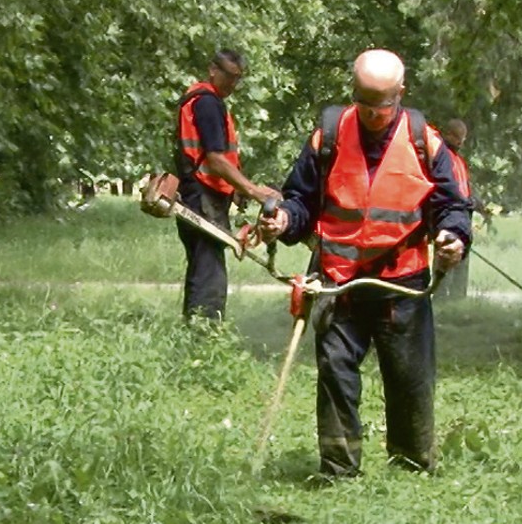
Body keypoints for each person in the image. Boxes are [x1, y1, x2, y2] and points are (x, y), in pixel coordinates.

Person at [260, 49, 471, 475]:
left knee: (409, 379)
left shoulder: (423, 141)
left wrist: (453, 236)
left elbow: (453, 205)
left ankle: (412, 466)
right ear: (353, 93)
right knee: (335, 373)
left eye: (384, 104)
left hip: (402, 283)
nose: (374, 114)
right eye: (365, 102)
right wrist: (283, 220)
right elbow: (301, 200)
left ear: (400, 94)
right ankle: (339, 471)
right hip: (339, 282)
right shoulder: (329, 136)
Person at [175, 49, 280, 322]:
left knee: (202, 266)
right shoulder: (208, 103)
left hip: (196, 195)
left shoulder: (197, 100)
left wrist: (233, 189)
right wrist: (253, 191)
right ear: (213, 70)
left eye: (238, 79)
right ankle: (204, 335)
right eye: (229, 76)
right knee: (210, 272)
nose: (233, 84)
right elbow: (215, 159)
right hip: (202, 199)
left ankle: (195, 329)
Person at [439, 118, 474, 299]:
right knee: (446, 254)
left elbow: (465, 186)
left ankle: (459, 297)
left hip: (465, 214)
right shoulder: (442, 157)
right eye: (457, 137)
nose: (460, 142)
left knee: (463, 257)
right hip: (448, 214)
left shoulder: (459, 160)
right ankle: (440, 297)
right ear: (447, 135)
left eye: (463, 138)